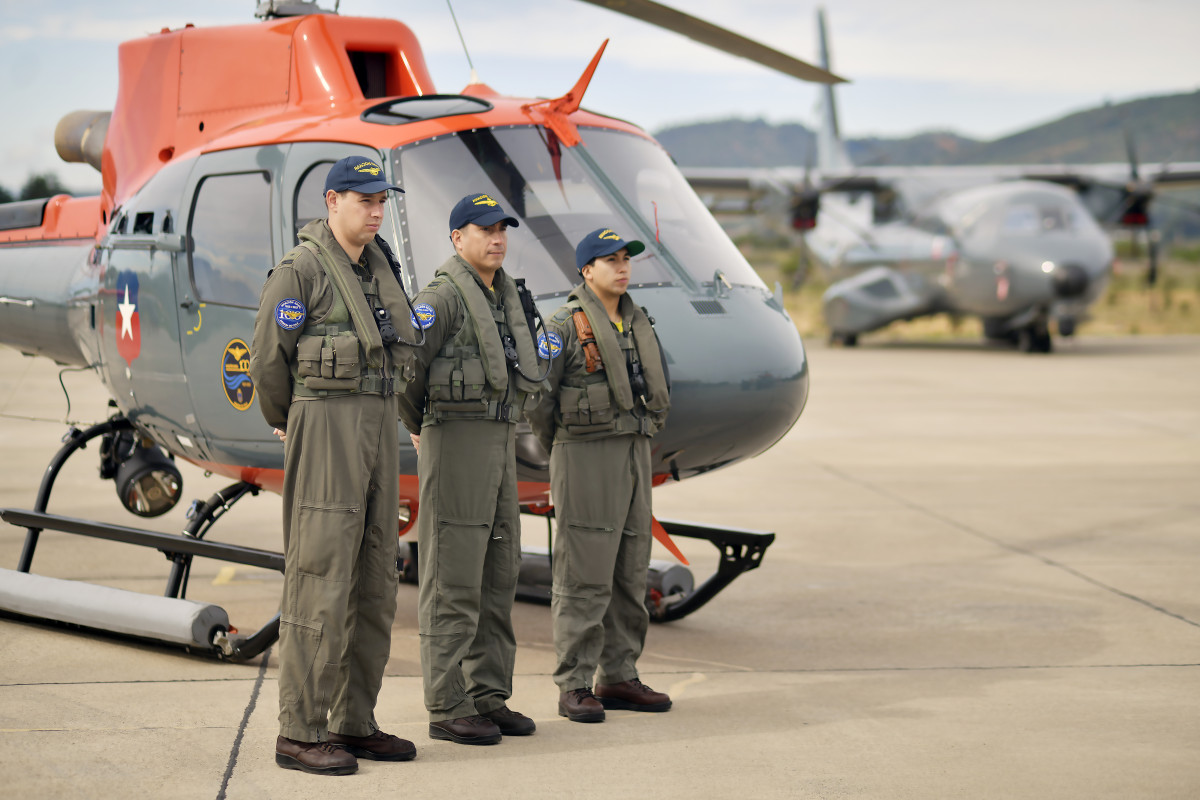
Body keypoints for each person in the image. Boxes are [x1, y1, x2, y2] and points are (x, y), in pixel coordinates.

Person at [249, 155, 417, 775]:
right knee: (320, 575)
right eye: (364, 200)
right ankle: (300, 728)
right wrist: (289, 416)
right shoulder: (303, 271)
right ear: (332, 202)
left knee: (375, 574)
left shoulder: (378, 268)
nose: (375, 211)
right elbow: (268, 358)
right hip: (325, 425)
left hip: (376, 425)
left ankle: (352, 719)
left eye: (381, 202)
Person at [399, 193, 544, 745]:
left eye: (502, 228)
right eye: (484, 230)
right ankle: (447, 703)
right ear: (458, 238)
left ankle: (488, 694)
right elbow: (406, 371)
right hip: (456, 441)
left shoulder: (506, 296)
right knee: (453, 577)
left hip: (499, 441)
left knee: (498, 568)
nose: (497, 238)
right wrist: (423, 426)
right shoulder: (441, 298)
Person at [527, 227, 672, 723]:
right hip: (584, 454)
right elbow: (538, 402)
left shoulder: (638, 320)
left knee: (630, 567)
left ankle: (618, 675)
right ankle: (574, 683)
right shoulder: (563, 325)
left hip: (634, 451)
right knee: (583, 573)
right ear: (587, 270)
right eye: (610, 261)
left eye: (626, 259)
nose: (623, 267)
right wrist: (563, 450)